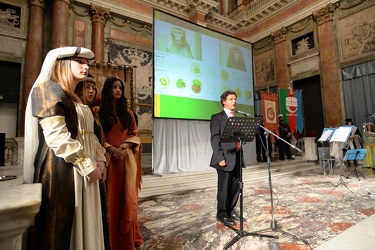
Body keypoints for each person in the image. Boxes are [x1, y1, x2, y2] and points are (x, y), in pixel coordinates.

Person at [23, 46, 107, 250]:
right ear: (62, 63)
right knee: (64, 229)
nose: (85, 66)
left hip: (88, 170)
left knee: (89, 221)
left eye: (87, 63)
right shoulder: (48, 89)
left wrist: (101, 159)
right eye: (79, 61)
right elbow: (56, 136)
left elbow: (89, 134)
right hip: (65, 169)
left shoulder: (78, 97)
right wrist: (87, 165)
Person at [99, 77, 143, 250]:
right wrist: (111, 149)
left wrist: (124, 146)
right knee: (111, 198)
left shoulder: (128, 113)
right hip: (108, 160)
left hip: (125, 160)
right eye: (114, 87)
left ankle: (127, 240)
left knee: (127, 197)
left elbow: (135, 133)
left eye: (120, 87)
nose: (118, 90)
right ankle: (110, 241)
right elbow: (96, 138)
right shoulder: (98, 112)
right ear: (108, 89)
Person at [75, 73, 111, 250]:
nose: (91, 91)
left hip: (94, 167)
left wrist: (101, 161)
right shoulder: (72, 107)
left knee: (94, 215)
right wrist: (88, 165)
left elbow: (95, 140)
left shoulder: (89, 111)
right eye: (86, 87)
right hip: (80, 169)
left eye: (93, 87)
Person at [210, 90, 245, 227]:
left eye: (235, 99)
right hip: (224, 157)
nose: (234, 101)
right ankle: (222, 213)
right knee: (224, 188)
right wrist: (220, 157)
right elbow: (214, 139)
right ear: (224, 101)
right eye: (231, 99)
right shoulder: (217, 118)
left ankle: (231, 210)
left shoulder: (236, 118)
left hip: (237, 157)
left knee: (236, 186)